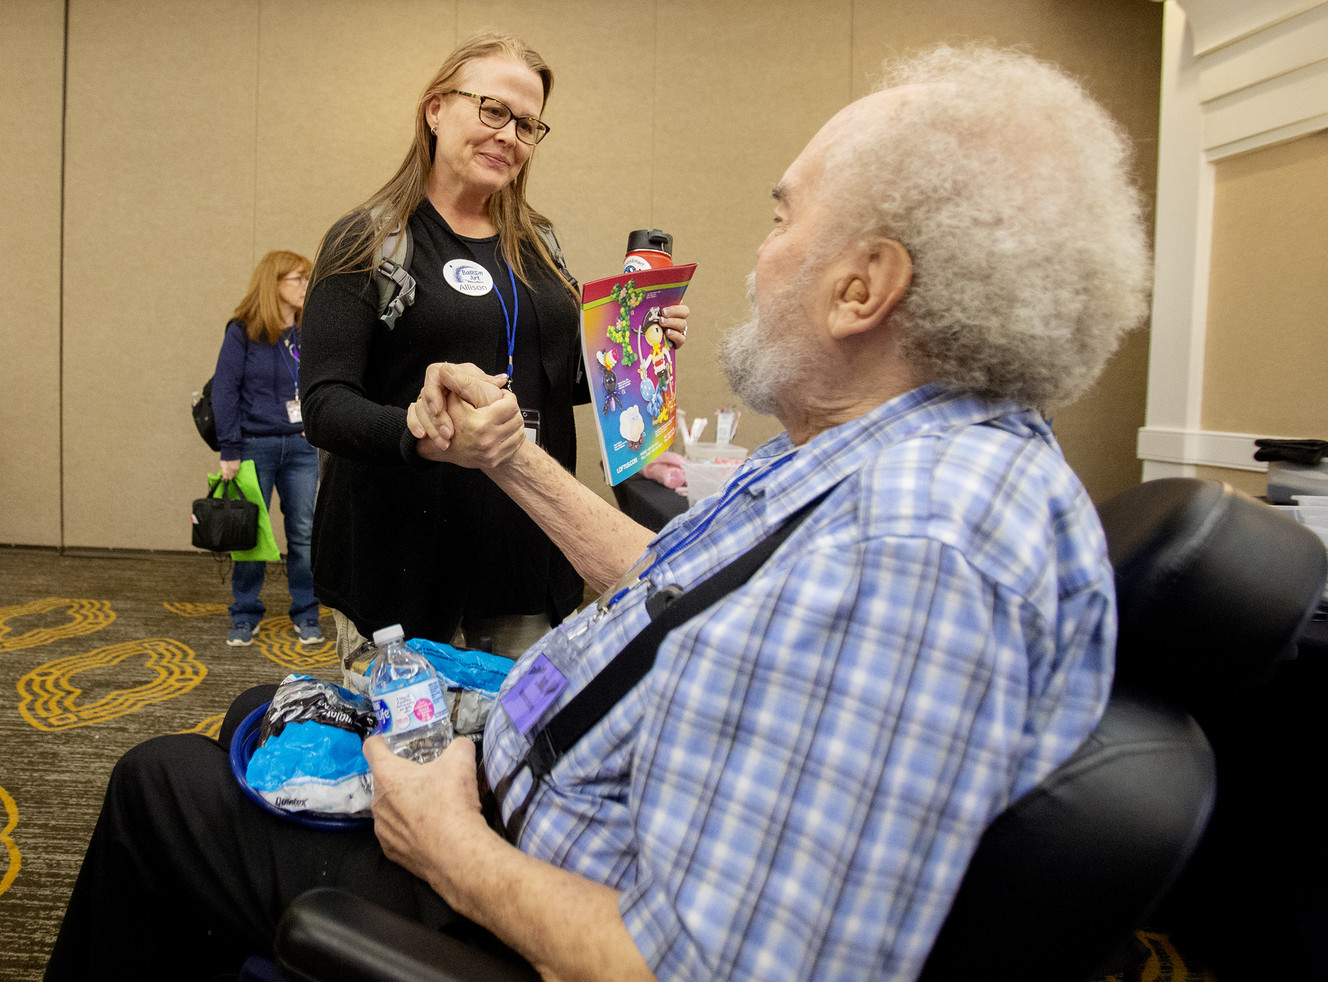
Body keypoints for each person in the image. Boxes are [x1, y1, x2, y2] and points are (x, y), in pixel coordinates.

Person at [45, 44, 1150, 981]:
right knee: (273, 715)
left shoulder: (916, 550)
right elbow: (674, 579)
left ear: (863, 288)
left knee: (159, 784)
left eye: (780, 218)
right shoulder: (867, 460)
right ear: (435, 110)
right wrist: (481, 447)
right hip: (435, 609)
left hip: (514, 866)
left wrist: (447, 841)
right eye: (492, 110)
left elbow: (721, 962)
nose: (758, 256)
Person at [298, 31, 688, 661]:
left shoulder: (537, 243)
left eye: (528, 125)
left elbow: (559, 381)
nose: (510, 136)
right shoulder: (369, 240)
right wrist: (421, 432)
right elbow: (323, 405)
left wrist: (639, 350)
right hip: (401, 564)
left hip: (526, 554)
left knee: (523, 722)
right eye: (493, 111)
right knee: (410, 727)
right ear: (435, 109)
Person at [211, 250, 323, 647]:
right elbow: (224, 391)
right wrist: (229, 450)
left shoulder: (310, 329)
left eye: (308, 278)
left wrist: (318, 427)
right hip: (254, 446)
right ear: (273, 284)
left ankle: (307, 612)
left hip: (301, 448)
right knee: (250, 533)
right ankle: (244, 614)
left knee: (304, 534)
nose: (306, 286)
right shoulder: (243, 331)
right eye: (298, 279)